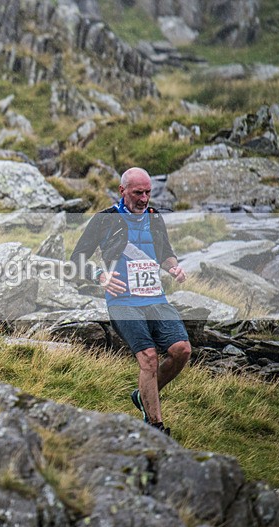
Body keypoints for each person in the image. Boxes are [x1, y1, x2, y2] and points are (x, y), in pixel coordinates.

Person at [70, 167, 191, 435]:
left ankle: (143, 395)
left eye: (148, 192)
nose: (144, 198)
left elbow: (166, 254)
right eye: (138, 192)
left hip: (155, 299)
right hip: (122, 300)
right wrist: (100, 275)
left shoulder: (154, 218)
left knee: (182, 350)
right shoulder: (104, 220)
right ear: (122, 191)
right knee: (148, 358)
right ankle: (156, 426)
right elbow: (77, 257)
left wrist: (174, 268)